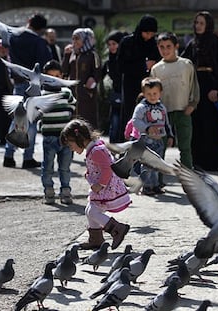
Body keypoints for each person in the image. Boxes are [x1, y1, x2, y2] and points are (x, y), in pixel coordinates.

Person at [60, 118, 131, 250]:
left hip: (107, 188)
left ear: (79, 138)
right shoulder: (94, 148)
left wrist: (100, 185)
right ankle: (96, 239)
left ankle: (117, 229)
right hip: (103, 187)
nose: (71, 149)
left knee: (92, 211)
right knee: (90, 210)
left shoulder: (96, 150)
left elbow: (107, 168)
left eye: (71, 145)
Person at [181, 11, 218, 171]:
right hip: (195, 86)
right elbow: (183, 61)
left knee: (211, 124)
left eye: (201, 23)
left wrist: (216, 88)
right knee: (197, 123)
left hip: (210, 85)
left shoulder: (215, 41)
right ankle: (198, 161)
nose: (198, 26)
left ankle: (215, 162)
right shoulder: (192, 43)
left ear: (208, 25)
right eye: (197, 23)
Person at [3, 14, 52, 169]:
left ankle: (8, 155)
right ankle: (27, 157)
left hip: (18, 83)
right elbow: (45, 64)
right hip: (34, 85)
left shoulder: (14, 38)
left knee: (17, 118)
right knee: (30, 121)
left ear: (29, 22)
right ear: (42, 29)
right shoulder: (39, 42)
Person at [150, 32, 200, 169]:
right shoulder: (156, 69)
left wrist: (192, 104)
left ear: (176, 46)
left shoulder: (186, 64)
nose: (165, 50)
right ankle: (157, 181)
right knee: (160, 147)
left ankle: (189, 179)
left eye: (168, 46)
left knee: (185, 147)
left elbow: (194, 86)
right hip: (162, 114)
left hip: (184, 110)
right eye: (162, 47)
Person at [117, 15, 160, 138]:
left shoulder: (154, 44)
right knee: (130, 114)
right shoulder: (127, 42)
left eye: (152, 33)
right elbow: (121, 66)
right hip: (131, 85)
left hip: (149, 86)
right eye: (146, 33)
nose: (148, 36)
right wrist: (143, 65)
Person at [40, 60, 76, 205]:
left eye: (57, 76)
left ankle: (65, 191)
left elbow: (73, 105)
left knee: (65, 167)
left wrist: (70, 113)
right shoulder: (41, 94)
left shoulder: (66, 92)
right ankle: (49, 192)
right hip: (49, 137)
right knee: (48, 166)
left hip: (66, 138)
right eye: (50, 77)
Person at [132, 77, 174, 195]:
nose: (152, 96)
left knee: (157, 164)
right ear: (144, 94)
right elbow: (135, 121)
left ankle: (155, 185)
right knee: (146, 164)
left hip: (159, 140)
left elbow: (166, 123)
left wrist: (170, 136)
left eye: (155, 93)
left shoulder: (162, 108)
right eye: (148, 94)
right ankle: (146, 186)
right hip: (146, 140)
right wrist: (147, 128)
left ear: (160, 93)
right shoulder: (141, 107)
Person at [62, 28, 102, 128]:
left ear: (85, 39)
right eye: (73, 39)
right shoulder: (72, 54)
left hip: (86, 94)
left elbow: (98, 72)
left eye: (77, 39)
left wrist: (92, 81)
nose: (74, 42)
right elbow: (64, 71)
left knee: (87, 121)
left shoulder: (92, 55)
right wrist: (66, 56)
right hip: (73, 94)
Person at [102, 30, 126, 143]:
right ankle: (112, 149)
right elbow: (99, 75)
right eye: (109, 44)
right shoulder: (109, 61)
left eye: (114, 44)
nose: (111, 47)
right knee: (114, 124)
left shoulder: (127, 58)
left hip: (128, 95)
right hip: (116, 96)